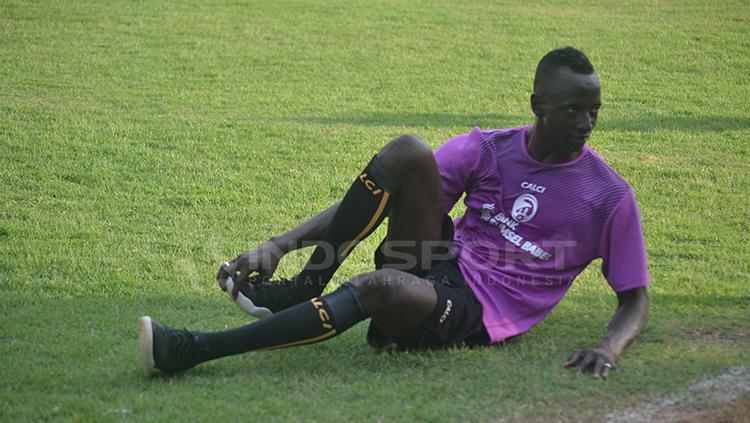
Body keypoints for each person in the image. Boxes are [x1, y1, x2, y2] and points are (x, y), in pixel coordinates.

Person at [138, 47, 650, 379]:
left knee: (380, 285)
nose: (587, 123)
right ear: (538, 104)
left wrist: (609, 347)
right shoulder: (490, 149)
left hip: (477, 312)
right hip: (439, 262)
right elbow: (383, 193)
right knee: (407, 151)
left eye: (594, 110)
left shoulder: (608, 196)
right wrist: (281, 243)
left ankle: (194, 349)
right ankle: (306, 284)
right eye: (573, 110)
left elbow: (635, 299)